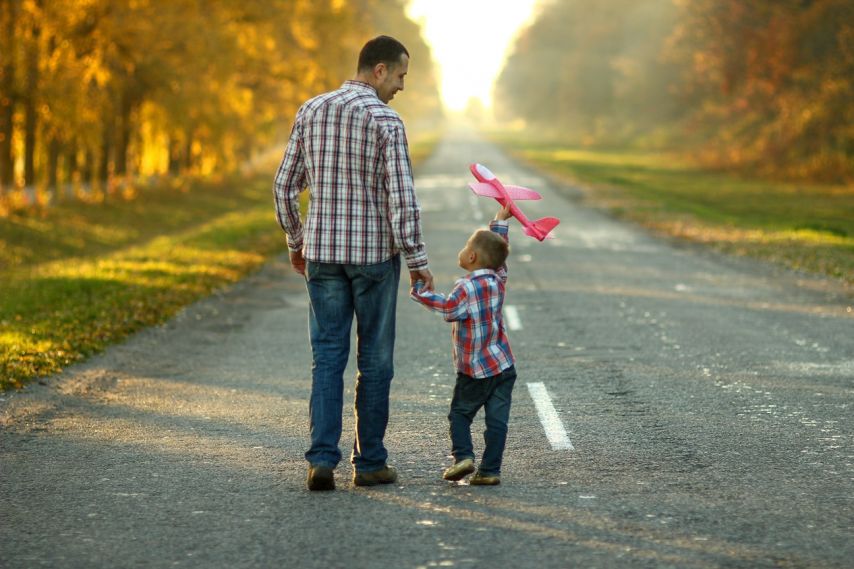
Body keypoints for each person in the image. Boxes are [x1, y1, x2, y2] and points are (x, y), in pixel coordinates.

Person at [273, 35, 434, 491]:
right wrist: (418, 259)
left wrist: (296, 240)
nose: (402, 85)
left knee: (327, 358)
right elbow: (401, 201)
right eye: (401, 75)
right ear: (379, 70)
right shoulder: (386, 120)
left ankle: (322, 461)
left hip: (323, 257)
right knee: (375, 360)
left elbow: (284, 187)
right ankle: (369, 465)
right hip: (373, 260)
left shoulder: (311, 110)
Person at [410, 204, 516, 485]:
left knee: (459, 414)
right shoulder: (497, 279)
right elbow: (499, 257)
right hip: (503, 366)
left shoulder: (465, 287)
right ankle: (490, 471)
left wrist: (421, 293)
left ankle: (464, 457)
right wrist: (499, 222)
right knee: (497, 422)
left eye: (464, 246)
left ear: (471, 256)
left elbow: (448, 309)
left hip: (474, 371)